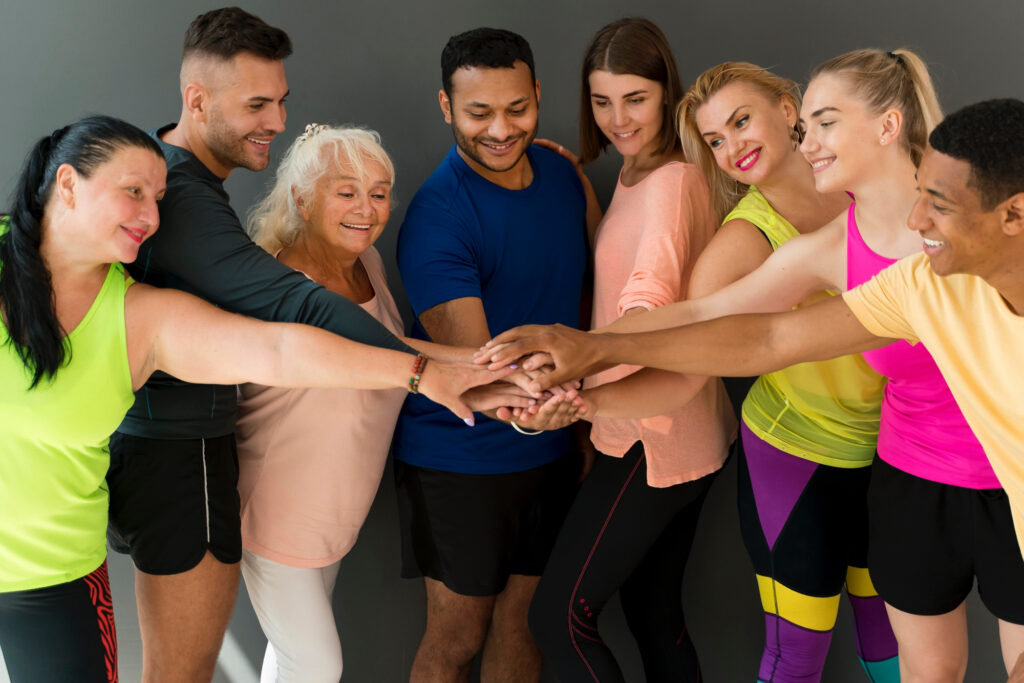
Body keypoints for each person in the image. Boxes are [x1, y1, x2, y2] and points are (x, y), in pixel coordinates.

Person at [480, 97, 1024, 683]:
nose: (918, 223)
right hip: (888, 477)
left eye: (939, 205)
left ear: (1013, 215)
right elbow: (768, 338)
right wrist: (595, 349)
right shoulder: (921, 285)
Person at [0, 116, 513, 683]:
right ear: (68, 183)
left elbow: (280, 350)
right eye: (133, 192)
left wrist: (423, 373)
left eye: (159, 197)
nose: (151, 217)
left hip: (50, 578)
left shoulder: (141, 317)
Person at [97, 9, 519, 682]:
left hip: (237, 477)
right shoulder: (183, 196)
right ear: (197, 100)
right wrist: (426, 371)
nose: (277, 120)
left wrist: (466, 364)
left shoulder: (201, 194)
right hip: (189, 471)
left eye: (281, 101)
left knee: (224, 664)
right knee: (232, 666)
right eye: (257, 103)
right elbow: (296, 318)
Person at [523, 19, 735, 682]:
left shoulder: (672, 180)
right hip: (688, 429)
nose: (618, 118)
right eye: (601, 101)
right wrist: (580, 187)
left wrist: (581, 361)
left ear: (667, 92)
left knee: (557, 619)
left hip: (653, 434)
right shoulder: (642, 172)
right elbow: (627, 260)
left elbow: (648, 299)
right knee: (653, 613)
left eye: (635, 99)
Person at [393, 27, 588, 682]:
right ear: (447, 107)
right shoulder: (437, 219)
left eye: (517, 108)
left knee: (524, 623)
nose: (501, 129)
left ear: (538, 94)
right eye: (478, 113)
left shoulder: (564, 175)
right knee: (458, 635)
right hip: (463, 455)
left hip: (554, 444)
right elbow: (479, 370)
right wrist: (550, 408)